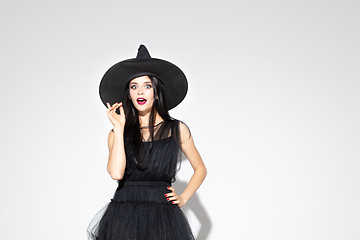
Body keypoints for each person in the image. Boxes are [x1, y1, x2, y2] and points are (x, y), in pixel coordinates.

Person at [87, 45, 207, 240]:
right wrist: (119, 128)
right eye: (134, 87)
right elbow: (116, 173)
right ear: (129, 95)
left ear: (157, 92)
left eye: (147, 86)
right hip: (123, 211)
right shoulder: (116, 133)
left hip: (162, 213)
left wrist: (184, 197)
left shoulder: (177, 129)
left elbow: (200, 168)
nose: (140, 92)